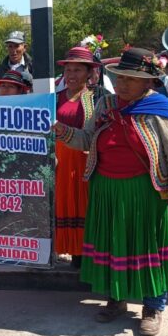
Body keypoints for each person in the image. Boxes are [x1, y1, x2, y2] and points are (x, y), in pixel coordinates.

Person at [53, 47, 168, 336]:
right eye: (120, 77)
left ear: (148, 82)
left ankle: (153, 306)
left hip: (147, 193)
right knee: (116, 245)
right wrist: (61, 131)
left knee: (148, 247)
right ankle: (116, 299)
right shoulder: (106, 106)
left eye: (131, 78)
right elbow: (86, 139)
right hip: (107, 189)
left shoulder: (161, 110)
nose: (123, 84)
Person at [53, 47, 100, 267]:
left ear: (89, 73)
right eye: (68, 70)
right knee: (63, 205)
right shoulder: (54, 99)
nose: (71, 75)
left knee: (85, 206)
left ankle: (84, 255)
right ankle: (70, 252)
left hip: (86, 161)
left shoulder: (98, 99)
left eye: (78, 70)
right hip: (60, 161)